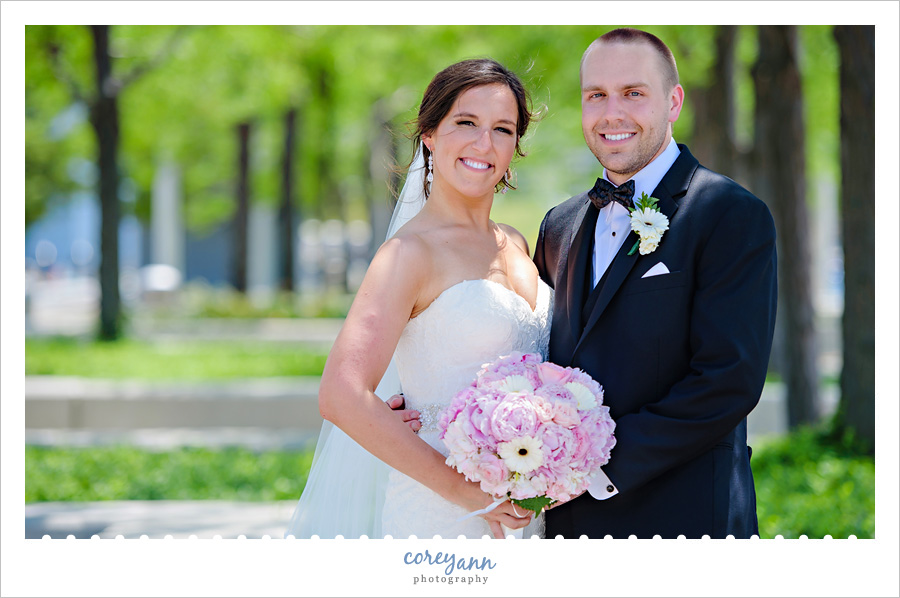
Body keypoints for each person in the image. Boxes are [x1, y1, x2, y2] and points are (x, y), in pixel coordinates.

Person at [285, 58, 550, 539]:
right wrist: (472, 496)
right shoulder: (408, 254)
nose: (483, 143)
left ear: (516, 145)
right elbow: (341, 394)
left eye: (503, 129)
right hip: (446, 514)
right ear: (429, 133)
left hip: (532, 507)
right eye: (465, 123)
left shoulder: (517, 243)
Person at [533, 28, 777, 539]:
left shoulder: (730, 214)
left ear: (673, 101)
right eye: (595, 95)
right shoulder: (559, 224)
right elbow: (532, 352)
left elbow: (727, 380)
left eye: (633, 93)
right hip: (564, 526)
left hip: (683, 522)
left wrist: (592, 466)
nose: (611, 112)